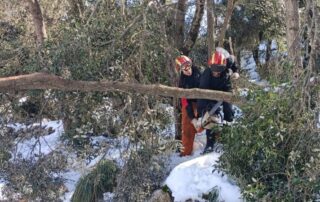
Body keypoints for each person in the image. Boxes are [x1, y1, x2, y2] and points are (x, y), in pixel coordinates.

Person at [194, 47, 239, 154]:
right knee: (211, 116)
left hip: (225, 87)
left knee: (229, 111)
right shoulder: (206, 76)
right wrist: (201, 114)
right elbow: (202, 96)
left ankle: (228, 137)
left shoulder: (229, 61)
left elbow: (234, 62)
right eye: (214, 70)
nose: (216, 73)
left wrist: (236, 72)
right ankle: (210, 144)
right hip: (211, 95)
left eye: (219, 70)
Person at [175, 55, 201, 156]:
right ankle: (185, 152)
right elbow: (185, 102)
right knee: (187, 126)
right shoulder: (182, 82)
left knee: (207, 120)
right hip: (189, 103)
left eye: (188, 66)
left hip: (202, 101)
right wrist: (192, 118)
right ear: (181, 70)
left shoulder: (199, 74)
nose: (188, 70)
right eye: (184, 69)